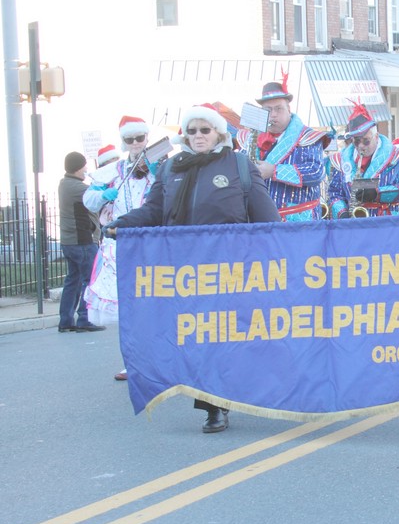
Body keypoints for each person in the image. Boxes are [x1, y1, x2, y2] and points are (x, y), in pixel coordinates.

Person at [108, 105, 281, 433]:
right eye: (192, 131)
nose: (198, 136)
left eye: (205, 130)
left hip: (229, 271)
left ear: (218, 133)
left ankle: (226, 399)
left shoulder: (239, 166)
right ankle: (214, 401)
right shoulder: (172, 167)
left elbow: (267, 220)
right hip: (185, 273)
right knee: (198, 342)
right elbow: (154, 210)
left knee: (222, 341)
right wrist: (123, 224)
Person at [83, 117, 159, 380]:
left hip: (153, 244)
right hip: (121, 244)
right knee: (129, 308)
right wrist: (103, 195)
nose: (136, 143)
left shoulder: (159, 165)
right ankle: (133, 362)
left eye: (140, 138)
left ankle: (160, 361)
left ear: (147, 138)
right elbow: (89, 199)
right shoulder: (114, 171)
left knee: (156, 306)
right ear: (124, 142)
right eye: (130, 139)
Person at [236, 78, 328, 221]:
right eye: (268, 110)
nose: (273, 115)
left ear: (289, 110)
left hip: (298, 222)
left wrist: (274, 171)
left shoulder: (308, 137)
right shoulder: (250, 139)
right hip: (260, 221)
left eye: (279, 109)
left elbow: (316, 171)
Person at [326, 101, 399, 216]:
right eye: (356, 141)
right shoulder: (340, 161)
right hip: (353, 224)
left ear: (376, 136)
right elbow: (334, 193)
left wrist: (378, 193)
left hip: (386, 223)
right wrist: (342, 212)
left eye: (366, 141)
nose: (361, 146)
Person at [57, 152, 106, 334]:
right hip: (82, 241)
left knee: (73, 280)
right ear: (78, 167)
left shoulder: (65, 184)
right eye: (84, 166)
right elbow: (98, 196)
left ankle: (66, 320)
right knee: (90, 280)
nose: (86, 169)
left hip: (69, 242)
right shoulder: (78, 188)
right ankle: (85, 319)